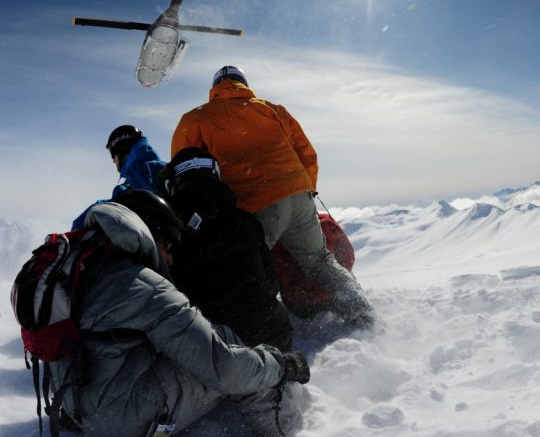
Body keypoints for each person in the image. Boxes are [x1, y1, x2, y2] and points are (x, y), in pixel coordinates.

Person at [53, 200, 310, 437]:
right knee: (228, 345)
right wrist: (280, 365)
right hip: (118, 421)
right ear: (151, 237)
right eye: (168, 246)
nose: (171, 258)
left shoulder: (81, 267)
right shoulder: (143, 286)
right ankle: (288, 425)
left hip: (74, 404)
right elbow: (223, 368)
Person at [171, 65, 375, 328]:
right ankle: (363, 313)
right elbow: (307, 155)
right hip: (298, 195)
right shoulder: (273, 109)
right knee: (321, 261)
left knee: (246, 268)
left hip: (254, 205)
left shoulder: (196, 118)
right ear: (243, 83)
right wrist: (305, 189)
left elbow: (184, 169)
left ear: (215, 88)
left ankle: (262, 333)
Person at [156, 147, 293, 351]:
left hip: (206, 346)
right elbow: (270, 282)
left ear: (174, 181)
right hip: (269, 338)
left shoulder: (166, 231)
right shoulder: (245, 221)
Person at [71, 125, 166, 229]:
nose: (113, 161)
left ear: (121, 150)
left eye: (113, 155)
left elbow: (142, 201)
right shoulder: (164, 167)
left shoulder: (138, 170)